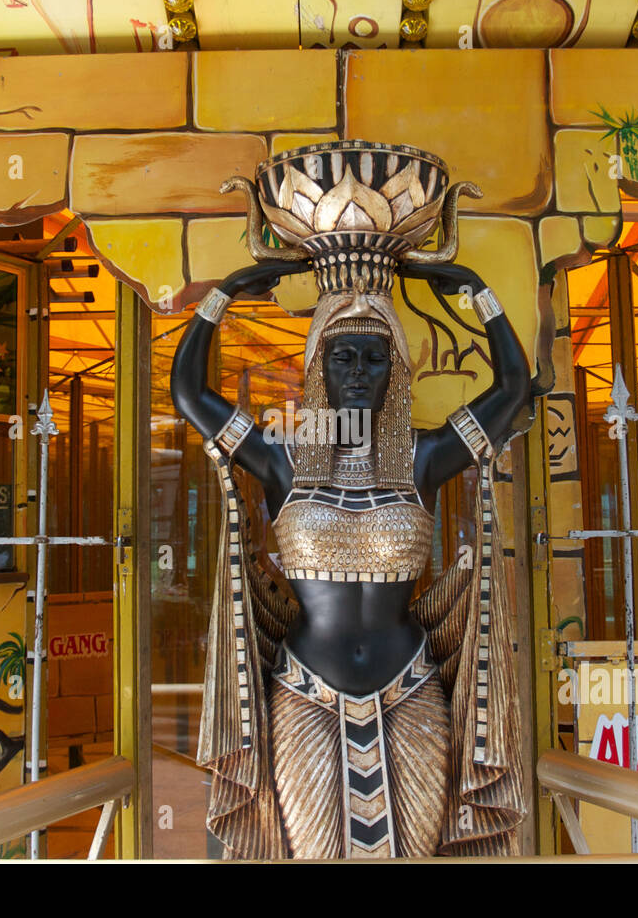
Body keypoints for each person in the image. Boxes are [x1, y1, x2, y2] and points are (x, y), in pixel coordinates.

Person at [171, 253, 531, 859]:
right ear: (318, 367)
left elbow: (513, 390)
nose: (360, 372)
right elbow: (189, 394)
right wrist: (223, 293)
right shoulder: (283, 458)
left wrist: (479, 291)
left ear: (395, 372)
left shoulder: (422, 458)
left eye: (375, 358)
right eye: (343, 357)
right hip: (305, 693)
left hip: (410, 692)